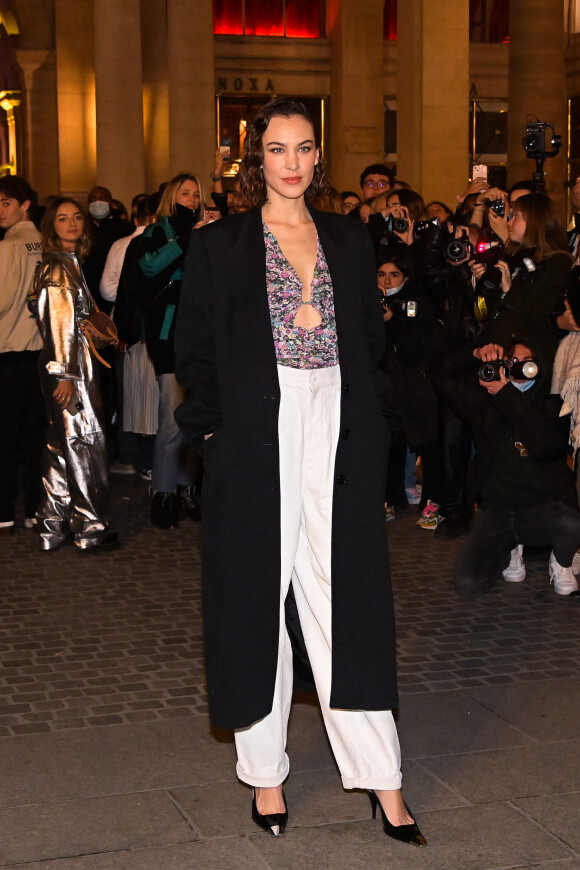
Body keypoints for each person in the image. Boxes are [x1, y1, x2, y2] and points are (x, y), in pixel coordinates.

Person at [175, 97, 426, 847]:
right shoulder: (219, 245)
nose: (292, 161)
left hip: (338, 423)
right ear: (259, 161)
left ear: (319, 158)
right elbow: (195, 353)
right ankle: (267, 775)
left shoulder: (350, 239)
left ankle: (384, 781)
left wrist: (372, 422)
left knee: (342, 592)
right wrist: (214, 433)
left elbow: (373, 347)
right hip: (258, 427)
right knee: (257, 593)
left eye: (304, 147)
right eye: (277, 149)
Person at [434, 338, 580, 596]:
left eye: (527, 363)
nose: (519, 368)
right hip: (497, 511)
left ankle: (561, 561)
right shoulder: (482, 399)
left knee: (570, 522)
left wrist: (506, 394)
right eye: (512, 362)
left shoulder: (552, 403)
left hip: (541, 509)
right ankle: (509, 549)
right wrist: (475, 352)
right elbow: (440, 374)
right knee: (469, 582)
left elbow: (545, 446)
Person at [32, 198, 120, 552]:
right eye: (62, 218)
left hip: (67, 362)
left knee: (60, 446)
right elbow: (59, 326)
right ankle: (90, 528)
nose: (71, 224)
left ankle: (52, 524)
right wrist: (65, 375)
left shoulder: (67, 264)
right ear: (51, 225)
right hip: (70, 365)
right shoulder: (58, 269)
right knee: (85, 443)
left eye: (77, 217)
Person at [138, 173, 204, 528]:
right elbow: (149, 266)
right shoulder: (158, 231)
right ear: (170, 195)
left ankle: (186, 490)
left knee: (198, 416)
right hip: (169, 333)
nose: (192, 199)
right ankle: (163, 494)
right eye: (185, 192)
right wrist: (186, 238)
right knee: (171, 418)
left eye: (196, 193)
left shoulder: (207, 229)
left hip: (201, 333)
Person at [0, 175, 45, 535]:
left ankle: (3, 509)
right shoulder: (43, 244)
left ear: (25, 203)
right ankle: (33, 507)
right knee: (33, 438)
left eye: (5, 203)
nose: (0, 211)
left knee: (5, 437)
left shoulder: (8, 246)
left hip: (9, 353)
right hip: (39, 354)